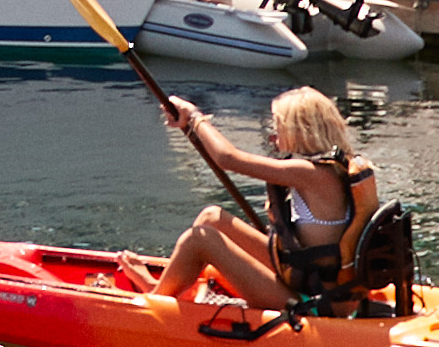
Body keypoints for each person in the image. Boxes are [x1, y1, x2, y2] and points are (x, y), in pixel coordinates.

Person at [153, 86, 374, 315]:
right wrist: (190, 125)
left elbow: (227, 159)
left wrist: (194, 116)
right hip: (311, 282)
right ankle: (169, 285)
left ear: (299, 131)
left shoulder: (311, 174)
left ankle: (151, 308)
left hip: (317, 303)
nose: (272, 134)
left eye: (277, 125)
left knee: (199, 239)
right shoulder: (337, 167)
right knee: (212, 218)